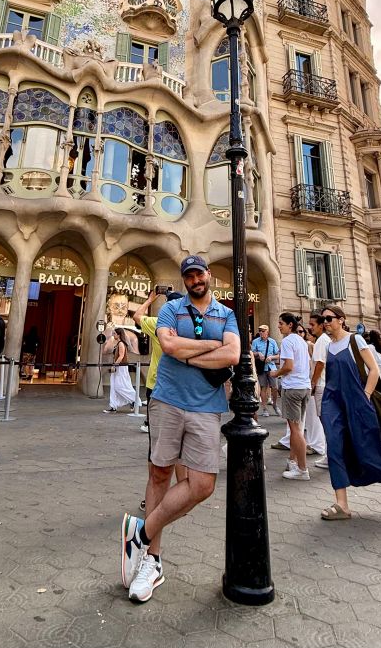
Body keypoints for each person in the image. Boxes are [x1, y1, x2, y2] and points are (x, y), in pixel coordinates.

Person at [120, 255, 240, 603]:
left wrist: (187, 353)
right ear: (184, 280)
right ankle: (152, 562)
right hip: (168, 400)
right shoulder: (172, 310)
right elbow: (168, 346)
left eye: (199, 273)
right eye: (188, 276)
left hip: (207, 408)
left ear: (209, 277)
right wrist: (209, 348)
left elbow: (232, 355)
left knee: (202, 484)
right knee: (160, 474)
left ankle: (142, 533)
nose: (195, 280)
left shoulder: (227, 314)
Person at [319, 304, 381, 520]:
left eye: (329, 318)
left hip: (357, 401)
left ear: (341, 319)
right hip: (333, 402)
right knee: (334, 448)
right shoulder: (327, 346)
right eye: (323, 319)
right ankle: (342, 504)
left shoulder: (355, 340)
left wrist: (366, 395)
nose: (325, 323)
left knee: (367, 449)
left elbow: (374, 370)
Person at [133, 289, 187, 511]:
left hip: (157, 387)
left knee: (156, 447)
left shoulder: (158, 323)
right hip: (181, 388)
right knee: (180, 445)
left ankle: (154, 497)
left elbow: (136, 316)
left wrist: (149, 299)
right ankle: (182, 494)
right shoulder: (187, 325)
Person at [270, 312, 312, 480]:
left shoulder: (287, 341)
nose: (279, 326)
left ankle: (302, 469)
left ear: (290, 325)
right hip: (304, 387)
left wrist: (275, 373)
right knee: (298, 429)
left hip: (292, 388)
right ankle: (292, 461)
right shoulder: (302, 341)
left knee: (295, 431)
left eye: (281, 323)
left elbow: (288, 366)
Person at [309, 310, 330, 469]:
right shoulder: (325, 340)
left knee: (325, 421)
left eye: (312, 325)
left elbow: (320, 364)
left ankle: (330, 456)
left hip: (322, 385)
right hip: (325, 384)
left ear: (321, 326)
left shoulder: (322, 341)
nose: (311, 328)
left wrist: (313, 383)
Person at [105, 327, 137, 413]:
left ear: (119, 335)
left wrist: (114, 365)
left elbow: (121, 356)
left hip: (121, 367)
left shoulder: (121, 344)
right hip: (119, 367)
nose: (113, 335)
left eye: (115, 333)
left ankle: (134, 400)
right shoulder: (119, 343)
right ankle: (113, 406)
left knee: (119, 386)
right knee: (114, 386)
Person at [251, 324, 279, 416]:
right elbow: (252, 353)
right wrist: (258, 354)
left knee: (274, 387)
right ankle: (264, 409)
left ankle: (275, 405)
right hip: (261, 367)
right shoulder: (255, 341)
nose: (261, 332)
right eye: (260, 331)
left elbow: (278, 354)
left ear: (267, 332)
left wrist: (271, 357)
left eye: (263, 331)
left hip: (271, 367)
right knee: (263, 387)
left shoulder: (272, 342)